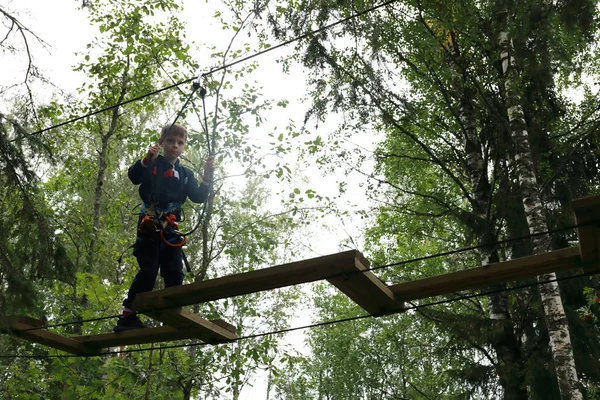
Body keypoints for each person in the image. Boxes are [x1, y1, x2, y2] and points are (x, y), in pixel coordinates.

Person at [113, 123, 214, 331]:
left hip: (171, 230)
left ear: (184, 147)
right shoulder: (152, 164)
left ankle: (172, 312)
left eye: (180, 142)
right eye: (170, 141)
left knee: (175, 273)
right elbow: (134, 177)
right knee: (148, 271)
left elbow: (199, 197)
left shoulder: (185, 174)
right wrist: (147, 159)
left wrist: (206, 175)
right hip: (149, 226)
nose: (174, 146)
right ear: (161, 142)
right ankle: (127, 316)